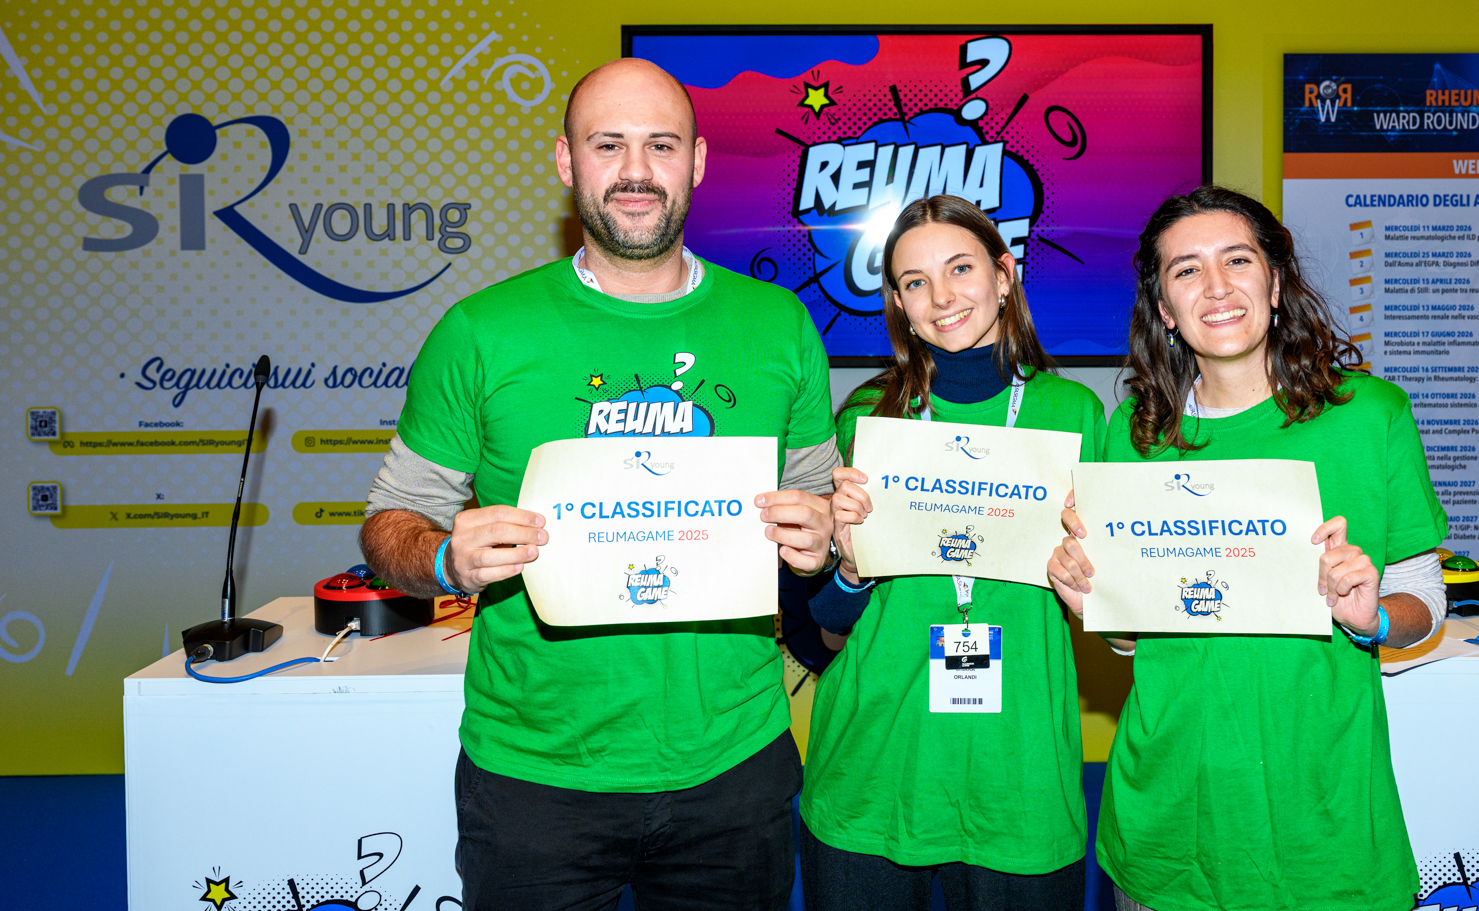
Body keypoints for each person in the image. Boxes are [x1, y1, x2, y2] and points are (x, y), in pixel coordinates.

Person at [358, 58, 839, 911]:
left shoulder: (780, 326)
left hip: (732, 768)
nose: (636, 170)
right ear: (566, 160)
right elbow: (390, 520)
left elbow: (820, 505)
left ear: (697, 162)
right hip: (536, 777)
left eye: (662, 144)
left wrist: (822, 536)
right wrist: (443, 559)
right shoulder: (481, 332)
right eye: (608, 144)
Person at [1046, 186, 1449, 911]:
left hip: (1323, 820)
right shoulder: (1133, 436)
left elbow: (1425, 598)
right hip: (1168, 818)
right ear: (1164, 309)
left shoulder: (1372, 416)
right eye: (1187, 270)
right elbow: (1138, 641)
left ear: (1276, 283)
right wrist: (1094, 606)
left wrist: (1375, 618)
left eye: (1237, 260)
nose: (1217, 286)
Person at [798, 194, 1106, 910]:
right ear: (899, 305)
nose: (941, 297)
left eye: (961, 268)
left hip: (1018, 779)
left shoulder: (1076, 416)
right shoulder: (865, 418)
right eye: (915, 281)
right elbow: (829, 631)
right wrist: (849, 570)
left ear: (1004, 274)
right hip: (872, 771)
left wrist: (1088, 579)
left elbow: (1111, 615)